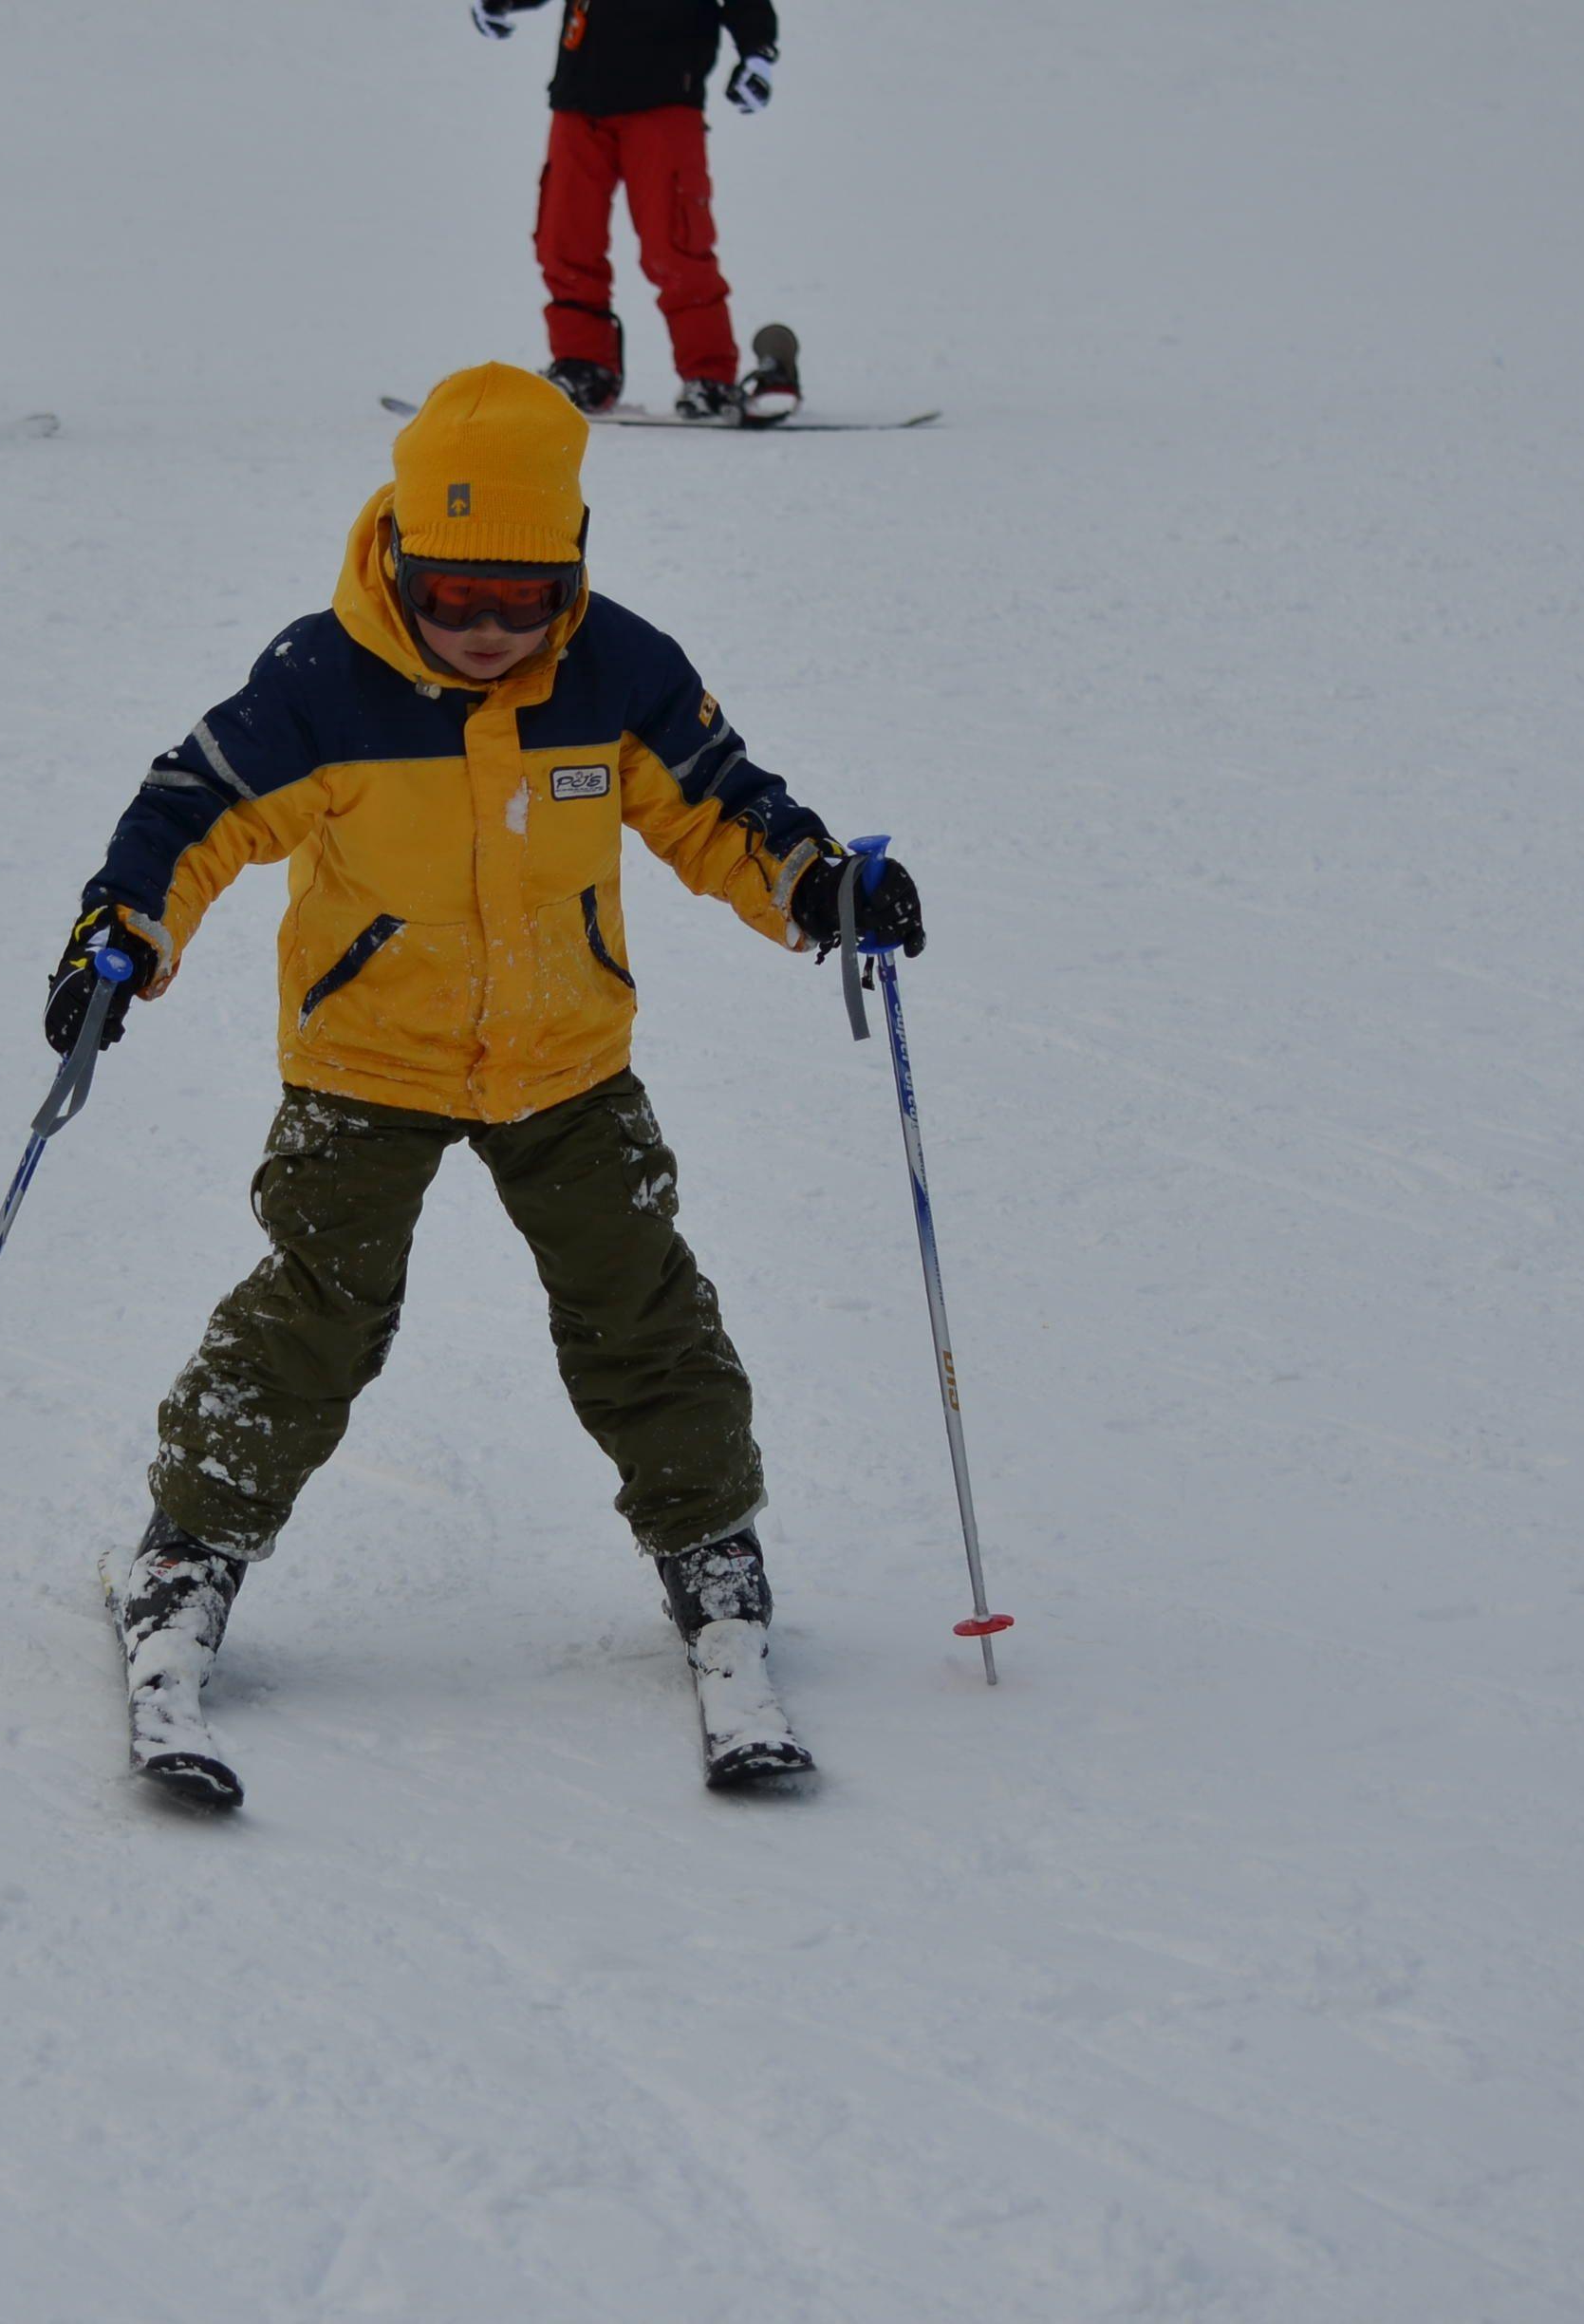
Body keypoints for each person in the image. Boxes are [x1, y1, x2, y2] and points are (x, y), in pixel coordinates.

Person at [46, 364, 925, 1805]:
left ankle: (711, 1546)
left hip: (567, 1060)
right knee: (317, 1312)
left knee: (640, 1300)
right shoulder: (320, 683)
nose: (486, 632)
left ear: (569, 574)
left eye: (523, 600)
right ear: (398, 552)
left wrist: (816, 884)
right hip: (364, 1062)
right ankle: (186, 1549)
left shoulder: (618, 670)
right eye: (453, 596)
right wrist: (122, 930)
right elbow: (187, 813)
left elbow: (723, 805)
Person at [473, 0, 792, 419]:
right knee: (563, 240)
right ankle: (584, 367)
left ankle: (709, 376)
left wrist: (758, 53)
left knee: (674, 246)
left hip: (664, 99)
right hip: (579, 99)